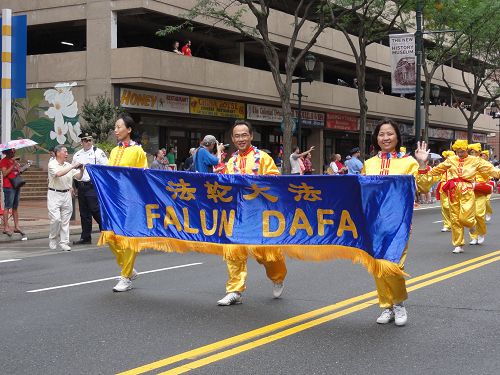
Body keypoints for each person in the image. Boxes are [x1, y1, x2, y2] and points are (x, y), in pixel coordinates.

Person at [362, 118, 433, 327]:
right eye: (381, 134)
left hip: (399, 222)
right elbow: (362, 192)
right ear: (376, 138)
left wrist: (421, 163)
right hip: (374, 222)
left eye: (389, 134)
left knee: (393, 264)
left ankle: (399, 303)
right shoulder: (369, 163)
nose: (385, 138)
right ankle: (386, 306)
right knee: (378, 265)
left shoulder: (408, 162)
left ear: (397, 137)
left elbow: (422, 187)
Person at [217, 120, 286, 306]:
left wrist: (256, 181)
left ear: (251, 136)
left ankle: (277, 276)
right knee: (233, 251)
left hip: (260, 215)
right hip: (238, 214)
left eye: (244, 135)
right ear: (232, 138)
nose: (241, 139)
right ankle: (234, 290)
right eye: (237, 136)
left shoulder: (263, 158)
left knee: (265, 254)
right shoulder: (231, 162)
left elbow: (275, 180)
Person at [416, 139, 500, 253]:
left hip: (467, 190)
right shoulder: (451, 160)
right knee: (455, 219)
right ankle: (458, 244)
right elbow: (436, 170)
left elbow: (491, 170)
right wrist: (423, 168)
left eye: (462, 151)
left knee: (465, 217)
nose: (460, 154)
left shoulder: (475, 160)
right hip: (453, 191)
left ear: (466, 150)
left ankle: (472, 225)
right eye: (458, 151)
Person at [107, 113, 148, 292]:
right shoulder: (114, 151)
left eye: (119, 127)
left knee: (128, 239)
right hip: (114, 200)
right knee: (110, 237)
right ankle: (128, 269)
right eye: (115, 127)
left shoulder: (138, 150)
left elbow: (144, 174)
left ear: (129, 130)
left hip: (132, 201)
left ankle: (125, 276)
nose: (116, 130)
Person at [72, 133, 108, 245]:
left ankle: (107, 232)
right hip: (82, 186)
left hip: (93, 185)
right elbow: (74, 172)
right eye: (86, 140)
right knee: (84, 213)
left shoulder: (98, 152)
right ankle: (86, 237)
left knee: (95, 210)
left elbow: (106, 166)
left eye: (90, 140)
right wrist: (74, 187)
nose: (88, 142)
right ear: (82, 142)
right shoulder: (77, 155)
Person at [47, 145, 84, 251]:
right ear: (58, 153)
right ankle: (53, 238)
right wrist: (72, 166)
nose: (67, 154)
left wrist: (81, 170)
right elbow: (59, 174)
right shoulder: (52, 164)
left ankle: (64, 242)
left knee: (65, 221)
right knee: (56, 219)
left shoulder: (68, 165)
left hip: (67, 194)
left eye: (67, 152)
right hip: (54, 193)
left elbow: (78, 177)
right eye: (65, 152)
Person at [1, 149, 29, 238]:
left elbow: (17, 172)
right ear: (7, 153)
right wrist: (13, 165)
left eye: (14, 152)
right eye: (12, 152)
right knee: (7, 207)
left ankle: (17, 226)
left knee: (15, 207)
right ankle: (5, 227)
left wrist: (22, 168)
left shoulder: (13, 161)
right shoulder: (3, 161)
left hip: (16, 185)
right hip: (8, 186)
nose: (14, 153)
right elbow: (4, 173)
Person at [437, 150, 455, 232]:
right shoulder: (442, 166)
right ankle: (446, 224)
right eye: (446, 157)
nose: (447, 159)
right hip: (443, 187)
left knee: (452, 207)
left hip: (452, 187)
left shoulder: (455, 166)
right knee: (444, 207)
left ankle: (454, 223)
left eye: (449, 157)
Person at [479, 150, 494, 222]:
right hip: (479, 185)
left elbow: (492, 174)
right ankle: (481, 215)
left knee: (487, 200)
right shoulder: (477, 163)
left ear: (487, 157)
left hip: (487, 185)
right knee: (480, 202)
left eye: (485, 156)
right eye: (482, 155)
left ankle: (488, 212)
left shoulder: (489, 165)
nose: (483, 157)